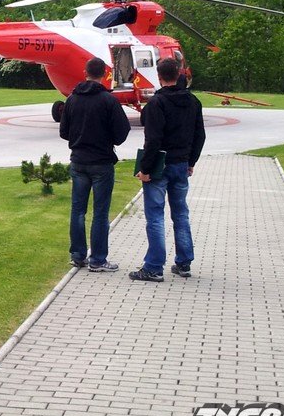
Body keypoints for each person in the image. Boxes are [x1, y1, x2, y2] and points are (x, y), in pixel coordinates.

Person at [130, 57, 206, 282]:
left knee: (155, 215)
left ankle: (154, 266)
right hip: (181, 163)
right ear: (179, 74)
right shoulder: (193, 102)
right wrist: (191, 161)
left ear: (159, 76)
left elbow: (153, 140)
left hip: (160, 164)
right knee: (181, 213)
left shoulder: (157, 103)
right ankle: (184, 261)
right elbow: (200, 135)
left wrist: (145, 168)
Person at [60, 57, 131, 272]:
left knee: (78, 210)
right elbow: (122, 131)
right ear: (105, 74)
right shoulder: (108, 101)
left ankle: (78, 254)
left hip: (79, 160)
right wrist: (108, 139)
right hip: (101, 161)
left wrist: (79, 138)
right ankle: (98, 259)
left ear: (85, 73)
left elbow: (64, 131)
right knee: (100, 212)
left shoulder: (72, 99)